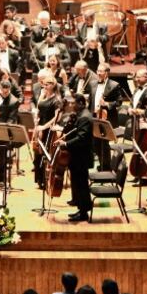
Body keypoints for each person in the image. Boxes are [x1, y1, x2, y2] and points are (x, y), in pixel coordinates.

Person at [60, 93, 93, 222]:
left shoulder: (85, 117)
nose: (70, 105)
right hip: (77, 156)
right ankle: (80, 209)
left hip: (81, 156)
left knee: (82, 184)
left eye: (73, 103)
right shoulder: (80, 115)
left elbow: (82, 138)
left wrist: (66, 144)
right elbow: (72, 132)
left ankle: (84, 213)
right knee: (78, 183)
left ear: (80, 103)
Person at [89, 63, 123, 170]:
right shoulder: (92, 84)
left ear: (107, 73)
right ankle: (101, 164)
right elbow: (91, 101)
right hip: (94, 116)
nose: (98, 73)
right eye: (98, 71)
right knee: (96, 143)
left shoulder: (114, 85)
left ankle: (106, 167)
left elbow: (119, 102)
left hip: (105, 117)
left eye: (101, 71)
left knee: (104, 144)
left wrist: (107, 104)